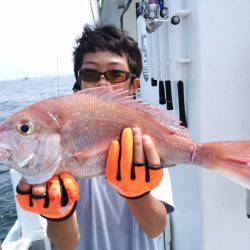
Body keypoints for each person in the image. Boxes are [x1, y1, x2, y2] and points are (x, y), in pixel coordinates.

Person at [16, 24, 175, 250]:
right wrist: (58, 214)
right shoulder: (58, 152)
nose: (102, 83)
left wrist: (137, 193)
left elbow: (155, 227)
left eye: (115, 74)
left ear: (134, 85)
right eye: (90, 73)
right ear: (79, 83)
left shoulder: (144, 138)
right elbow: (66, 243)